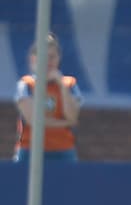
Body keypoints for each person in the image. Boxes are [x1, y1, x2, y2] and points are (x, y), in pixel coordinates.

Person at [13, 33, 82, 162]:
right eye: (44, 56)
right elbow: (34, 120)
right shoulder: (26, 84)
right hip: (30, 150)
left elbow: (72, 116)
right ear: (34, 58)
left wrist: (61, 85)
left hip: (63, 150)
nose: (48, 61)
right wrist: (65, 123)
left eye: (52, 57)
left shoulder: (70, 84)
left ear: (59, 58)